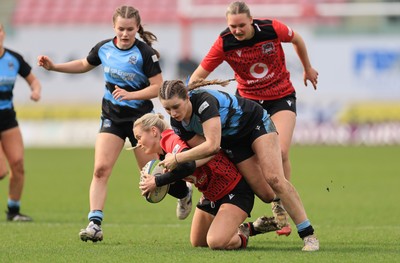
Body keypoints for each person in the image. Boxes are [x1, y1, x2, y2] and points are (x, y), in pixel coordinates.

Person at [37, 6, 191, 242]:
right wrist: (54, 67)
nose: (125, 33)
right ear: (114, 28)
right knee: (100, 170)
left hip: (140, 121)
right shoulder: (104, 48)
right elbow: (83, 64)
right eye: (121, 29)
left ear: (137, 28)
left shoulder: (145, 53)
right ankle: (94, 224)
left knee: (152, 174)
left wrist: (131, 95)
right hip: (112, 117)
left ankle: (184, 193)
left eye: (130, 29)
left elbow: (157, 87)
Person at [189, 1, 319, 236]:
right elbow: (199, 75)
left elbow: (297, 39)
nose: (236, 31)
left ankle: (279, 202)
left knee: (280, 151)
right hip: (247, 105)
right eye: (232, 26)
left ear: (251, 21)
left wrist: (307, 68)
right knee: (244, 159)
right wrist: (183, 99)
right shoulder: (224, 42)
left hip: (280, 97)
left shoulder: (271, 29)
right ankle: (223, 200)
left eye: (241, 25)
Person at [158, 79, 319, 251]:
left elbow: (212, 146)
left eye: (176, 106)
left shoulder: (204, 102)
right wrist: (180, 170)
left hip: (255, 124)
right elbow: (206, 154)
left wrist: (177, 159)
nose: (173, 113)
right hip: (234, 144)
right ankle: (250, 226)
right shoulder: (178, 124)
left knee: (275, 179)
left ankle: (308, 235)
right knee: (266, 195)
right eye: (167, 109)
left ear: (187, 98)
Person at [134, 113, 280, 250]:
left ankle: (243, 233)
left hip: (235, 190)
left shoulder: (170, 139)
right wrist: (158, 187)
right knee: (198, 242)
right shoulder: (162, 155)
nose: (138, 143)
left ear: (153, 131)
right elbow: (179, 188)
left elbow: (187, 165)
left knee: (216, 242)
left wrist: (158, 181)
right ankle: (251, 227)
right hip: (211, 195)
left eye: (139, 137)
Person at [0, 23, 42, 221]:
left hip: (7, 117)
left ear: (3, 33)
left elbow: (33, 80)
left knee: (17, 164)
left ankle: (13, 211)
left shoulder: (13, 59)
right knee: (1, 171)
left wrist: (35, 91)